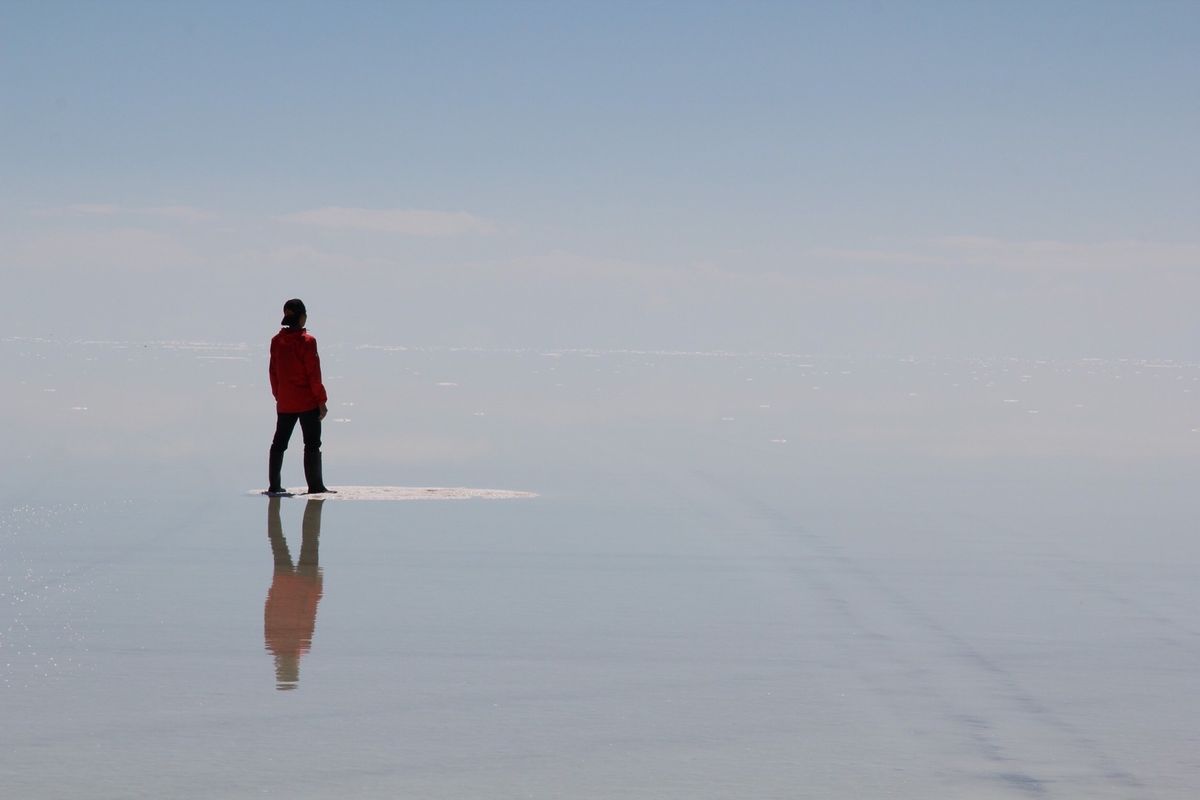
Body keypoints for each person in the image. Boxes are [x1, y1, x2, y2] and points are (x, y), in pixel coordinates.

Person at [266, 298, 334, 495]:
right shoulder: (307, 342)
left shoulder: (276, 342)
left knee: (279, 444)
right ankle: (315, 486)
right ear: (302, 317)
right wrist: (321, 401)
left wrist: (279, 396)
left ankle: (274, 485)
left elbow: (273, 372)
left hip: (285, 402)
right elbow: (314, 374)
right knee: (312, 444)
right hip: (307, 402)